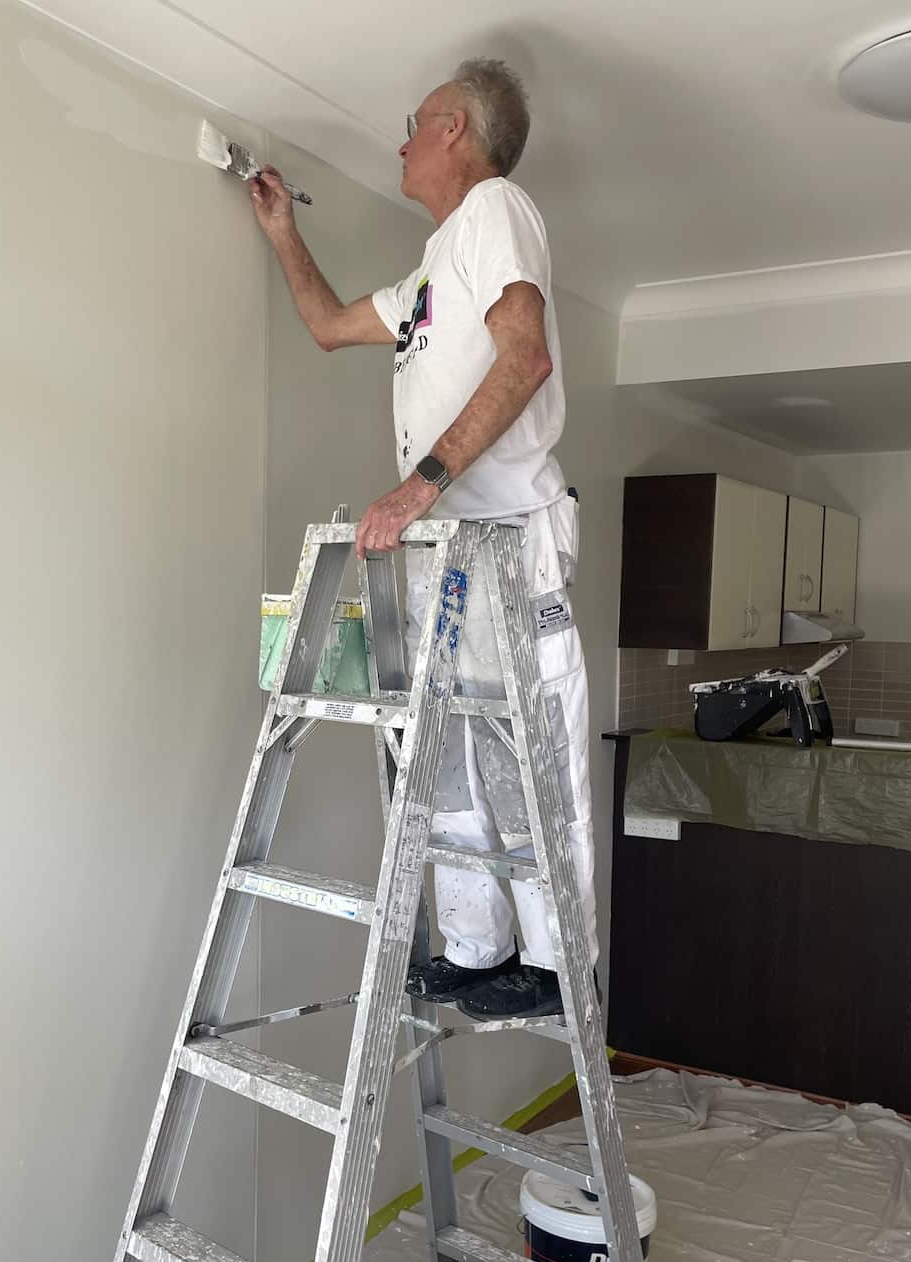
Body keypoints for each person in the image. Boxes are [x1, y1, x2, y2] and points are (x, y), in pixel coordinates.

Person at [250, 58, 596, 1020]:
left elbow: (525, 359)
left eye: (413, 124)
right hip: (451, 554)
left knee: (529, 755)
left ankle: (561, 962)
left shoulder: (498, 211)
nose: (400, 142)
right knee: (451, 756)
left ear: (456, 130)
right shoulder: (434, 271)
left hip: (507, 540)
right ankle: (481, 949)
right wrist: (284, 230)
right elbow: (325, 325)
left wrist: (420, 486)